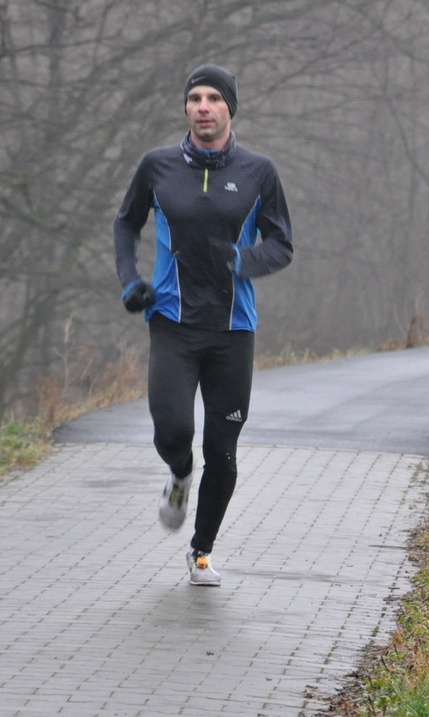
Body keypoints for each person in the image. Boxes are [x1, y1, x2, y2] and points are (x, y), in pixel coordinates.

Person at [113, 64, 294, 586]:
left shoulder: (259, 172)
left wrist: (242, 260)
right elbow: (126, 223)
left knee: (223, 451)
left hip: (232, 329)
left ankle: (200, 553)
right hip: (172, 322)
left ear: (229, 108)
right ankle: (179, 474)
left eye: (214, 98)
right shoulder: (158, 166)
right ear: (186, 108)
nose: (204, 107)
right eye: (195, 98)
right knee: (174, 432)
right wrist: (130, 282)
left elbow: (281, 245)